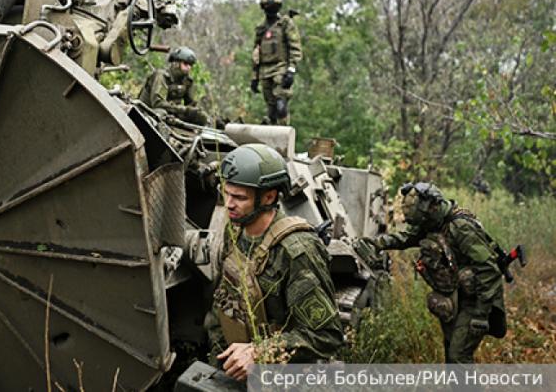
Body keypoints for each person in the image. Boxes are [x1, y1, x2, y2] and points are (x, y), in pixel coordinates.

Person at [206, 143, 344, 381]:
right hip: (230, 370)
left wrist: (258, 353)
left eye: (239, 197)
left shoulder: (296, 251)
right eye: (226, 193)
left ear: (268, 197)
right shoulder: (236, 231)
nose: (228, 204)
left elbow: (326, 335)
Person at [370, 182, 506, 363]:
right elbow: (408, 237)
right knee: (451, 353)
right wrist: (378, 243)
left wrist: (481, 316)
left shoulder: (461, 227)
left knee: (458, 356)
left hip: (476, 299)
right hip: (454, 296)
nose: (422, 225)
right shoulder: (432, 221)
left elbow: (489, 271)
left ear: (433, 208)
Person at [250, 0, 302, 125]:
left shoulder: (285, 24)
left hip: (281, 68)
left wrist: (291, 69)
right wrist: (254, 77)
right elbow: (256, 52)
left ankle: (284, 137)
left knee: (281, 105)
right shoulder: (261, 28)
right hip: (265, 71)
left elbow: (295, 47)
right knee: (271, 110)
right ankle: (273, 139)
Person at [138, 46, 210, 126]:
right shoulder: (162, 76)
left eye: (190, 65)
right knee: (161, 112)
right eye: (185, 64)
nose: (188, 68)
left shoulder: (187, 81)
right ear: (176, 63)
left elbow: (191, 105)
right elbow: (158, 103)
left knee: (201, 117)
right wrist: (183, 110)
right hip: (148, 112)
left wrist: (195, 113)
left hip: (171, 114)